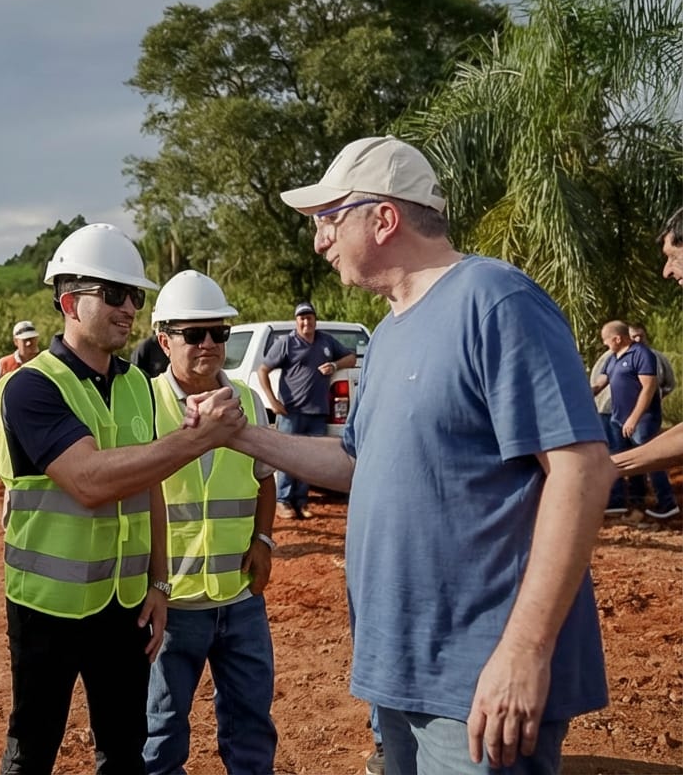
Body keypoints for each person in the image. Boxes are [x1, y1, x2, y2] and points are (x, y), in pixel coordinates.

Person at [189, 136, 614, 774]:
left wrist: (525, 649)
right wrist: (240, 435)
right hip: (399, 667)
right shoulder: (385, 335)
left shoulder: (496, 301)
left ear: (384, 218)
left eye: (329, 220)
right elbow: (357, 466)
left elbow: (580, 470)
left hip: (477, 675)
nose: (319, 240)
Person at [0, 223, 245, 775]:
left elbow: (147, 485)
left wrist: (159, 583)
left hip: (123, 604)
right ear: (68, 301)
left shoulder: (134, 383)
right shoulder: (32, 386)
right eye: (113, 294)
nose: (129, 305)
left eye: (135, 295)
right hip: (48, 608)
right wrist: (196, 437)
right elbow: (88, 480)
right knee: (32, 749)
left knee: (124, 749)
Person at [142, 270, 279, 775]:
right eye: (193, 334)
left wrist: (264, 539)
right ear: (164, 340)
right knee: (160, 732)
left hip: (239, 599)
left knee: (250, 726)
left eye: (218, 333)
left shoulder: (247, 401)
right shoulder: (143, 401)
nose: (209, 344)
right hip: (171, 603)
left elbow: (265, 477)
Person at [256, 301, 354, 519]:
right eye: (301, 318)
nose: (305, 322)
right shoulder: (286, 343)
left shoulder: (326, 341)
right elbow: (263, 370)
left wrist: (335, 366)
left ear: (315, 320)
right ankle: (282, 501)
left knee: (310, 460)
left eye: (309, 317)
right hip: (291, 411)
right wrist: (273, 401)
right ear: (296, 321)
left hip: (318, 412)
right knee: (287, 458)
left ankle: (301, 502)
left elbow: (351, 357)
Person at [613, 207, 683, 476]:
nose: (666, 271)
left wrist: (608, 468)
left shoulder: (643, 355)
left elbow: (652, 385)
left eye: (672, 257)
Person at [592, 321, 679, 519]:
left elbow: (649, 387)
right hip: (617, 417)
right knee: (618, 457)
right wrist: (585, 395)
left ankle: (667, 503)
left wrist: (634, 418)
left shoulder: (642, 354)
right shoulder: (613, 358)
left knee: (651, 458)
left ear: (617, 338)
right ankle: (618, 502)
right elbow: (600, 382)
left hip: (642, 419)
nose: (605, 345)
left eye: (606, 341)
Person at [0, 320, 41, 406]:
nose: (29, 343)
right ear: (16, 341)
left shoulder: (44, 360)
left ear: (37, 339)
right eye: (24, 340)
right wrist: (2, 406)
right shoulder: (5, 364)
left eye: (31, 339)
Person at [628, 323, 675, 398]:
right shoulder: (617, 358)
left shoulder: (659, 357)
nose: (638, 339)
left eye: (641, 336)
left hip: (652, 405)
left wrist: (655, 394)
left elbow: (670, 384)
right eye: (634, 337)